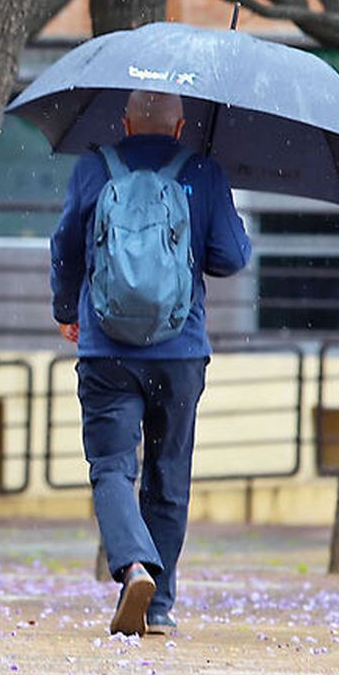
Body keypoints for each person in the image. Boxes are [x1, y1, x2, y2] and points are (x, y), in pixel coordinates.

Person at [50, 90, 251, 636]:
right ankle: (158, 606)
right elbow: (230, 258)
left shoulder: (94, 168)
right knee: (168, 475)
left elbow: (66, 244)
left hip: (106, 348)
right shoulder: (204, 170)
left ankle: (133, 566)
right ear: (182, 124)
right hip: (179, 352)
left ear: (125, 123)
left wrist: (67, 309)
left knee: (112, 467)